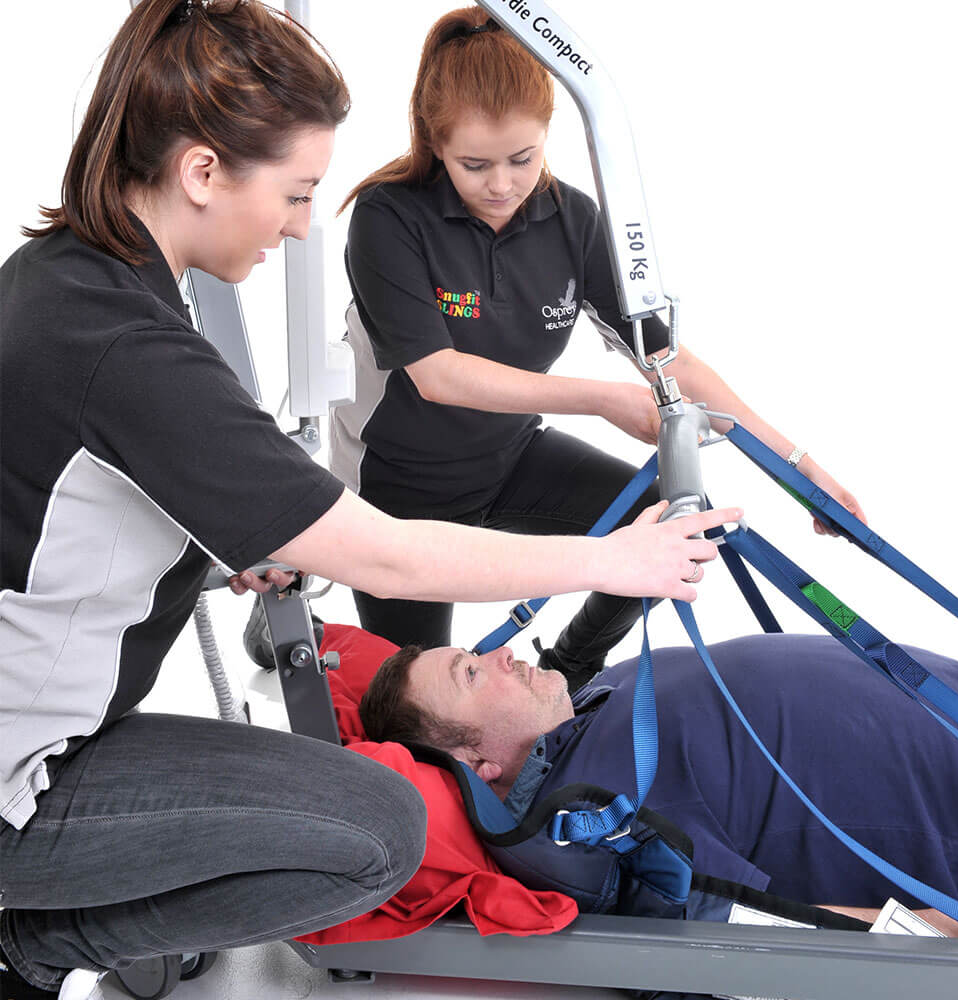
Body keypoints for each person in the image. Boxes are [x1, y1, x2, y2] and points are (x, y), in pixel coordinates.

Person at [0, 2, 740, 997]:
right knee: (380, 832)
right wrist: (617, 558)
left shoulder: (76, 281)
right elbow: (383, 553)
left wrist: (233, 538)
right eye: (296, 192)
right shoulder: (129, 344)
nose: (302, 223)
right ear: (203, 172)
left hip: (55, 726)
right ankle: (28, 946)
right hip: (23, 772)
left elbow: (76, 490)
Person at [324, 6, 866, 686]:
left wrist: (802, 473)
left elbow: (669, 361)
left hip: (509, 459)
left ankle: (572, 669)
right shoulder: (387, 216)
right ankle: (293, 614)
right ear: (435, 144)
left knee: (670, 528)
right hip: (398, 489)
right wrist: (603, 399)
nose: (502, 184)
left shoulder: (572, 219)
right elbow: (439, 376)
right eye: (475, 164)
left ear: (548, 133)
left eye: (523, 158)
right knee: (414, 702)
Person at [359, 635, 958, 936]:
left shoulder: (594, 698)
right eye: (471, 674)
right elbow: (790, 937)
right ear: (476, 764)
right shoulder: (594, 824)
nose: (502, 654)